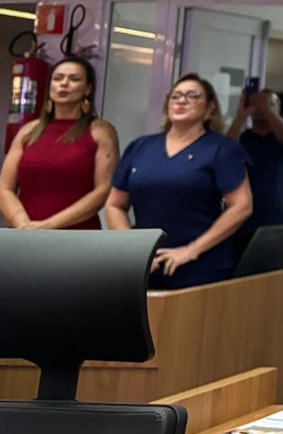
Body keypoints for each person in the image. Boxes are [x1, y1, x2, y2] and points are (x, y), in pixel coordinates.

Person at [104, 73, 253, 291]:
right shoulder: (141, 147)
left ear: (210, 108)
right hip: (145, 266)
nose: (182, 101)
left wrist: (191, 250)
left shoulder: (222, 149)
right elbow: (114, 204)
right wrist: (134, 250)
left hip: (201, 266)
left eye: (192, 96)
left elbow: (242, 206)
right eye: (176, 96)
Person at [0, 56, 118, 230]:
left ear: (87, 89)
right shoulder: (28, 131)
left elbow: (103, 189)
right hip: (25, 233)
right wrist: (22, 224)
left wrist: (48, 225)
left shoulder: (100, 131)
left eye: (74, 79)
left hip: (76, 235)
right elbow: (4, 189)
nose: (64, 84)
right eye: (58, 78)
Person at [228, 88, 283, 259]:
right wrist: (241, 116)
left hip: (273, 222)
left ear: (278, 109)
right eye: (257, 104)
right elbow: (225, 153)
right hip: (241, 221)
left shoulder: (281, 140)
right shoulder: (243, 139)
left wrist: (268, 111)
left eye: (270, 104)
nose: (261, 108)